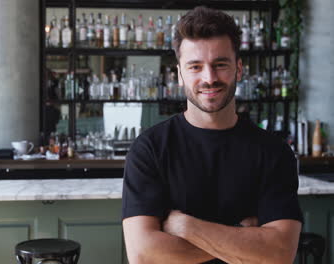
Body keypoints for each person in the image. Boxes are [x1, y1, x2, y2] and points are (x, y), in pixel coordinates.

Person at [122, 6, 302, 264]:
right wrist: (244, 239)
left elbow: (279, 253)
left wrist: (185, 226)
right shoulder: (150, 148)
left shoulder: (274, 152)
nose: (209, 78)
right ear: (180, 75)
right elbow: (143, 254)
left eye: (220, 64)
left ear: (238, 69)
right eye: (195, 66)